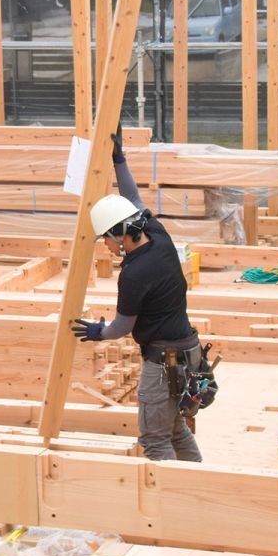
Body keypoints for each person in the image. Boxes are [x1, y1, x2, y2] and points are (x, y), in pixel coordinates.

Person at [71, 131, 204, 462]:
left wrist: (96, 332)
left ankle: (171, 506)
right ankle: (196, 482)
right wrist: (119, 159)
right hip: (189, 351)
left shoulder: (133, 274)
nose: (107, 245)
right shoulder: (156, 233)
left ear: (119, 234)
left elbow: (121, 327)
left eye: (106, 238)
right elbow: (131, 196)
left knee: (155, 439)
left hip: (162, 361)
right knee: (175, 429)